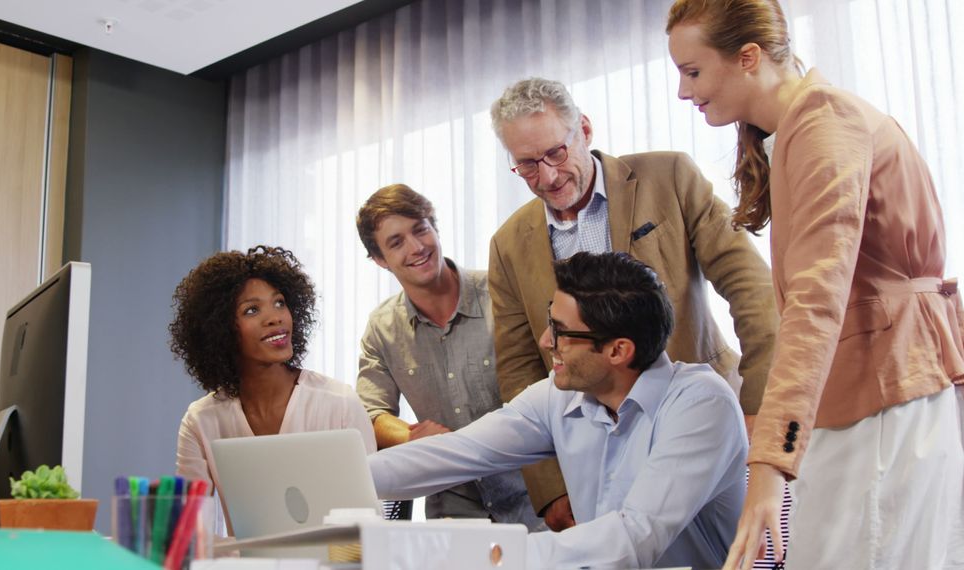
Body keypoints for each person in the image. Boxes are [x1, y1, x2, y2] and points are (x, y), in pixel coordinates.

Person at [665, 1, 964, 568]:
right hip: (872, 390)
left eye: (693, 71)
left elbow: (816, 302)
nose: (684, 91)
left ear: (748, 57)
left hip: (881, 389)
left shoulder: (825, 121)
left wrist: (769, 462)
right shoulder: (800, 129)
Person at [488, 77, 777, 529]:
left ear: (584, 130)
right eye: (526, 165)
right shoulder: (507, 244)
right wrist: (551, 489)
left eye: (556, 154)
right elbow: (518, 368)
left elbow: (752, 290)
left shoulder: (670, 177)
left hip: (700, 421)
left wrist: (761, 405)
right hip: (594, 452)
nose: (547, 177)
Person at [369, 251, 748, 569]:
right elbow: (458, 452)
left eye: (561, 331)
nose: (545, 340)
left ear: (618, 350)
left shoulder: (701, 404)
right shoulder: (561, 395)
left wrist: (486, 556)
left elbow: (633, 538)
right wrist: (348, 477)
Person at [354, 184, 541, 527]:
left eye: (420, 229)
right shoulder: (382, 328)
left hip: (534, 504)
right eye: (396, 242)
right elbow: (370, 413)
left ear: (435, 228)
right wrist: (410, 436)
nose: (416, 247)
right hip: (453, 514)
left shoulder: (503, 294)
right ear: (380, 260)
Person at [170, 246, 377, 535]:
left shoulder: (339, 402)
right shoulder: (201, 420)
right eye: (252, 310)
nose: (275, 317)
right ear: (220, 329)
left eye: (279, 303)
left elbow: (371, 521)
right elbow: (189, 530)